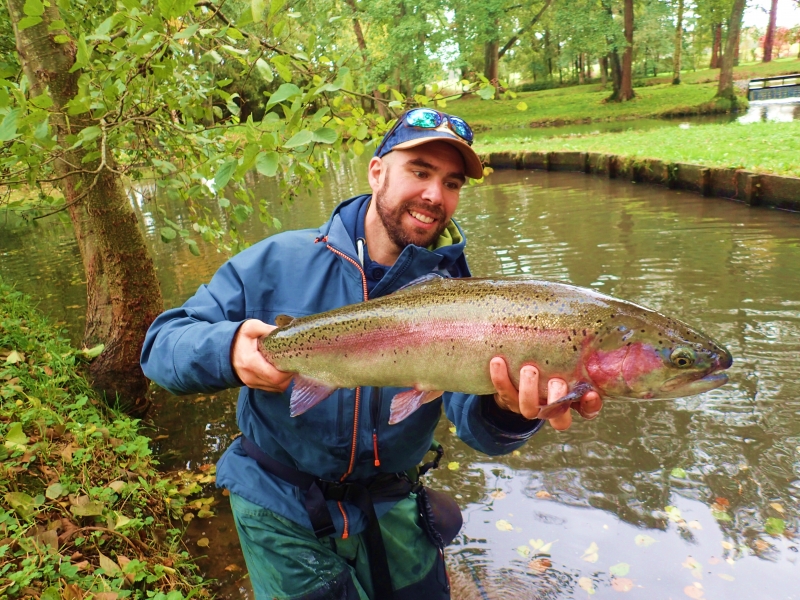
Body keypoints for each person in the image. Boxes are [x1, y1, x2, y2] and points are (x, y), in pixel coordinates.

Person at [140, 108, 602, 600]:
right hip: (279, 503)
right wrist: (228, 349)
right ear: (377, 171)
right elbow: (161, 345)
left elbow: (478, 429)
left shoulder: (468, 298)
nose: (434, 195)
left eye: (451, 183)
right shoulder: (276, 261)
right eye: (420, 172)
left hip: (391, 505)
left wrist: (508, 410)